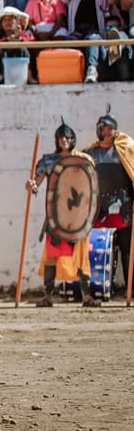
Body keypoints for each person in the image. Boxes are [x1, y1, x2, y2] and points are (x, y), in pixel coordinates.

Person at [25, 121, 92, 307]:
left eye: (68, 137)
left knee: (80, 257)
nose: (64, 140)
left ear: (72, 140)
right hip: (56, 216)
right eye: (61, 137)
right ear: (57, 140)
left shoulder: (82, 160)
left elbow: (90, 186)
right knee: (52, 256)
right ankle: (48, 296)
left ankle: (87, 296)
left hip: (77, 216)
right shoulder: (48, 161)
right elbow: (35, 185)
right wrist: (31, 186)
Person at [82, 110, 134, 306]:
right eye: (105, 129)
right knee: (101, 250)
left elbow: (131, 175)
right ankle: (101, 289)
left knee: (128, 250)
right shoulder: (90, 154)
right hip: (99, 209)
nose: (108, 133)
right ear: (99, 130)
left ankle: (131, 289)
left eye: (111, 129)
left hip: (123, 206)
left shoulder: (125, 151)